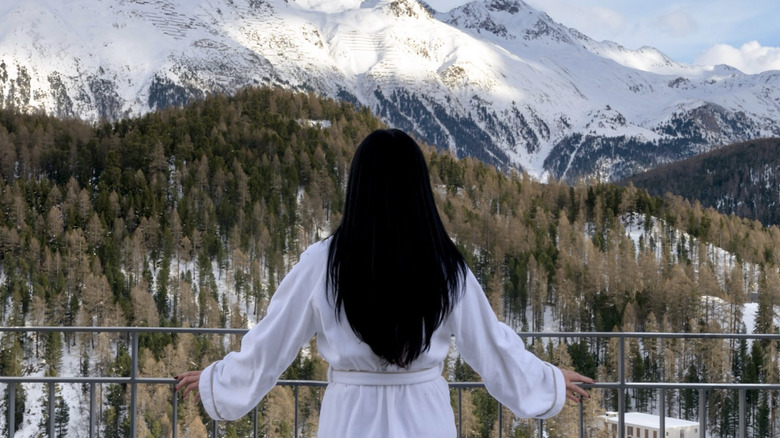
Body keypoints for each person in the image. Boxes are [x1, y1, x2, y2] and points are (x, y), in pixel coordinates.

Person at [175, 128, 593, 437]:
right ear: (420, 190)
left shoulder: (324, 262)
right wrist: (548, 382)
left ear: (358, 187)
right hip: (424, 417)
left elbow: (271, 341)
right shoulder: (445, 265)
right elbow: (492, 346)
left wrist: (217, 381)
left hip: (351, 419)